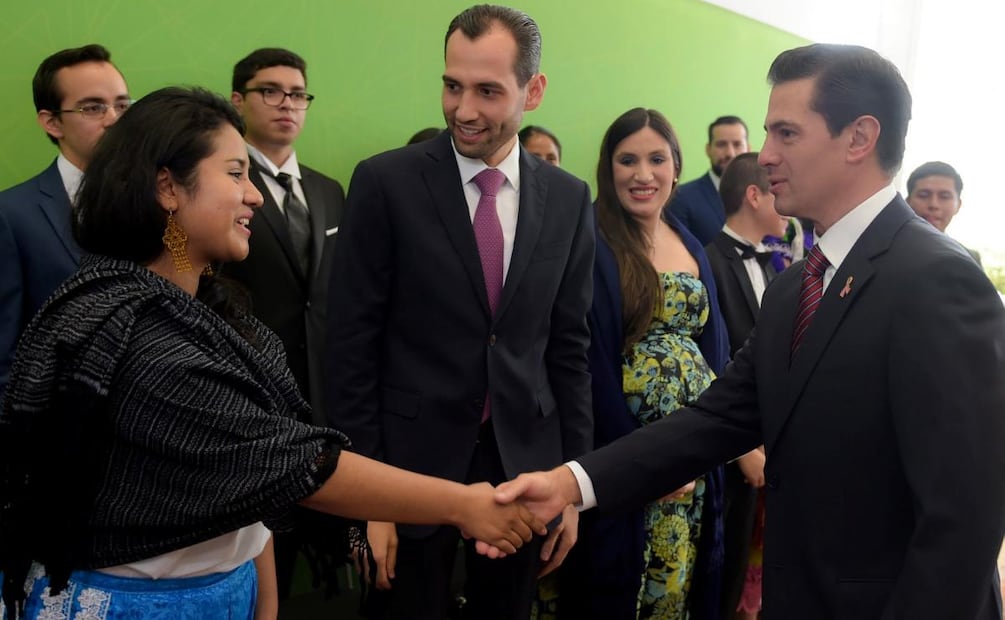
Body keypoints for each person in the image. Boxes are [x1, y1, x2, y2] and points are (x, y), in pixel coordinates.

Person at [491, 43, 1005, 619]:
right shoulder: (797, 287)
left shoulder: (937, 280)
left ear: (859, 138)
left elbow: (965, 516)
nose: (764, 157)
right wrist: (570, 482)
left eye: (786, 133)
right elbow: (718, 419)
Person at [0, 87, 544, 620]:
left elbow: (246, 487)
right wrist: (464, 505)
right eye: (235, 174)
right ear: (168, 187)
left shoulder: (204, 307)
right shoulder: (134, 331)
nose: (255, 193)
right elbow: (290, 463)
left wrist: (262, 599)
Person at [325, 5, 595, 618]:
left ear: (534, 90)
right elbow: (349, 349)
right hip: (406, 471)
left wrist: (573, 487)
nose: (464, 109)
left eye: (487, 91)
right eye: (452, 85)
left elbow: (568, 350)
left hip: (525, 471)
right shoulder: (384, 183)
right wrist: (370, 498)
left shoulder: (570, 199)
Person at [553, 107, 728, 619]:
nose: (642, 174)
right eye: (627, 160)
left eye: (656, 159)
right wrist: (641, 463)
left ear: (676, 165)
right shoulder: (589, 238)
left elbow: (713, 350)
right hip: (623, 464)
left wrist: (699, 449)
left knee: (680, 594)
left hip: (692, 469)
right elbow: (585, 365)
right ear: (608, 168)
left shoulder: (691, 240)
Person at [220, 47, 346, 601]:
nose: (286, 104)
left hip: (326, 406)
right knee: (259, 570)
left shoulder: (329, 190)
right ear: (238, 101)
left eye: (297, 94)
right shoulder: (221, 186)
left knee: (330, 577)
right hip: (250, 406)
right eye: (269, 91)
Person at [0, 44, 130, 403]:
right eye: (93, 108)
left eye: (122, 105)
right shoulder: (11, 215)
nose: (113, 119)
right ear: (52, 122)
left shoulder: (160, 203)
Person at [705, 151, 788, 618]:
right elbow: (710, 360)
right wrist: (743, 450)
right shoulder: (710, 261)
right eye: (775, 189)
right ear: (754, 196)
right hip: (731, 449)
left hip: (770, 446)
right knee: (727, 564)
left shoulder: (779, 264)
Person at [669, 115, 749, 245]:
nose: (730, 153)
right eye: (721, 144)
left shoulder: (765, 196)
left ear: (748, 149)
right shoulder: (681, 198)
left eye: (737, 144)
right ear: (708, 149)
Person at [905, 160, 981, 265]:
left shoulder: (969, 259)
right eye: (923, 195)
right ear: (907, 202)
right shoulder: (886, 251)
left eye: (944, 197)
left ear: (958, 205)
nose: (933, 204)